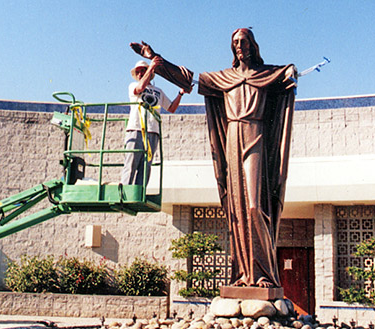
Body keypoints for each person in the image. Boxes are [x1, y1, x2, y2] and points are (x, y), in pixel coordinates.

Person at [130, 29, 296, 289]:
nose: (239, 46)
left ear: (253, 46)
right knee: (236, 207)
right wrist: (155, 59)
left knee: (254, 205)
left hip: (255, 134)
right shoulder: (225, 77)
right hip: (232, 136)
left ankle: (263, 273)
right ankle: (243, 274)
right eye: (235, 43)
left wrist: (290, 72)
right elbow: (189, 80)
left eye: (243, 42)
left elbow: (287, 74)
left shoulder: (266, 74)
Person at [121, 59, 189, 186]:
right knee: (131, 163)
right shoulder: (132, 86)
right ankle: (125, 194)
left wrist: (181, 93)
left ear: (149, 72)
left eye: (143, 70)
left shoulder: (158, 91)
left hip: (152, 131)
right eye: (139, 71)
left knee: (145, 167)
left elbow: (171, 108)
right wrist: (151, 66)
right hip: (136, 129)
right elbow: (140, 88)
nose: (141, 73)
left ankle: (140, 195)